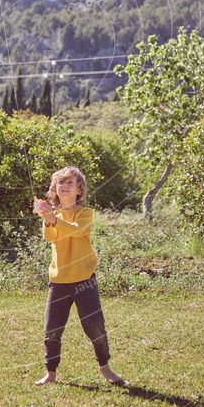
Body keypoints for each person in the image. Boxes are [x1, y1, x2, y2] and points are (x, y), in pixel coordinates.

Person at [33, 165, 125, 386]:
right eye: (60, 183)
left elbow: (75, 230)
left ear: (79, 190)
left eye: (70, 183)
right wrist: (47, 218)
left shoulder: (85, 213)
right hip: (58, 282)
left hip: (84, 281)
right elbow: (49, 236)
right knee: (52, 330)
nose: (64, 186)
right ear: (54, 188)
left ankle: (105, 368)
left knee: (95, 327)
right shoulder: (52, 216)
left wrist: (54, 219)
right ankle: (51, 373)